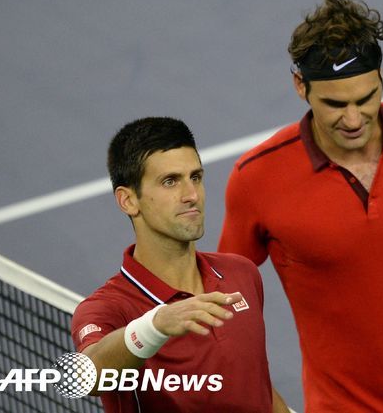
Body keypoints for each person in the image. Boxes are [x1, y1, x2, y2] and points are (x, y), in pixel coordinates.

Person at [218, 0, 383, 412]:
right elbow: (221, 304)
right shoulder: (257, 179)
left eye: (365, 98)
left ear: (381, 79)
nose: (353, 119)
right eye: (335, 104)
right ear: (301, 86)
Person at [71, 117, 290, 412]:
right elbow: (88, 375)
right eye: (170, 181)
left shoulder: (241, 273)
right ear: (128, 201)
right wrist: (154, 327)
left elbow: (256, 386)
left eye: (195, 177)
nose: (191, 195)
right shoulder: (108, 308)